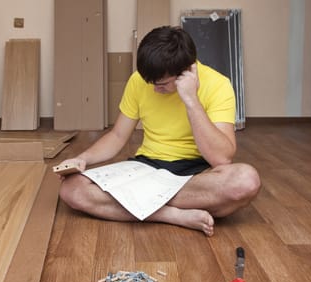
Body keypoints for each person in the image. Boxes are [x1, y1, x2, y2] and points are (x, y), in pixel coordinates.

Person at [58, 26, 260, 236]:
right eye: (150, 83)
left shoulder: (218, 85)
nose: (155, 89)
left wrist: (191, 100)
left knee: (246, 181)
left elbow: (221, 159)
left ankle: (137, 203)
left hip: (196, 173)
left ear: (186, 72)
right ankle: (168, 214)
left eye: (162, 84)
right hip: (147, 168)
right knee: (72, 189)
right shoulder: (138, 81)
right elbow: (117, 136)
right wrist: (81, 159)